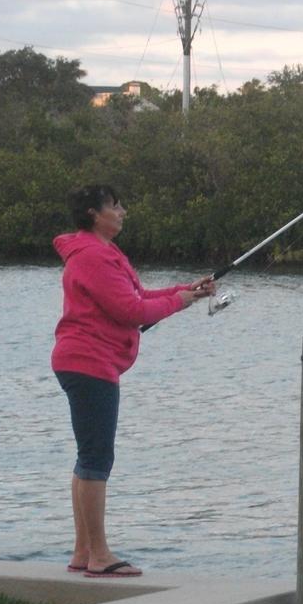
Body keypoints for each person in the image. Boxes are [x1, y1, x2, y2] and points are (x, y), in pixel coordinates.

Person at [51, 184, 215, 577]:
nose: (123, 211)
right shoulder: (92, 255)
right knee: (96, 458)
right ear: (94, 214)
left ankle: (83, 551)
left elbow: (139, 295)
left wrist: (184, 290)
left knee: (88, 456)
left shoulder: (103, 253)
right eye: (115, 206)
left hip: (89, 360)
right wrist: (184, 302)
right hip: (89, 362)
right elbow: (131, 310)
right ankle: (100, 556)